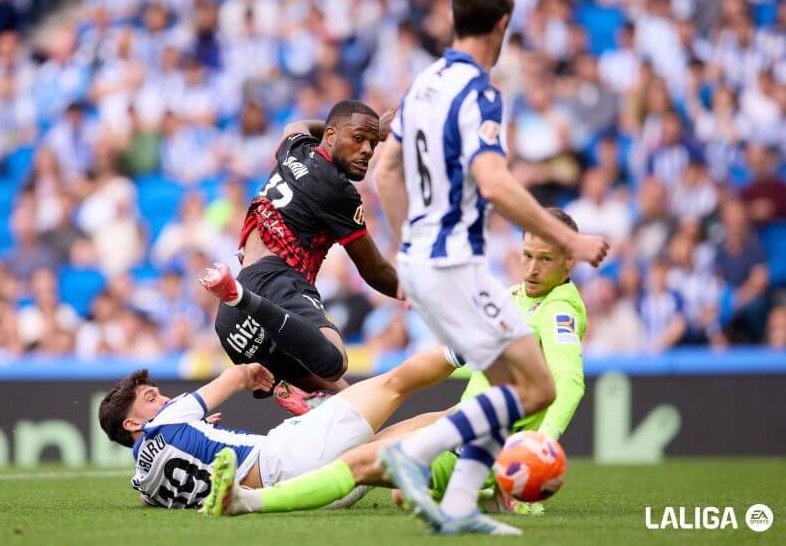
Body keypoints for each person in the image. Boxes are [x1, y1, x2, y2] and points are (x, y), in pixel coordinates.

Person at [373, 0, 608, 534]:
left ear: (455, 18)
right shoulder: (479, 93)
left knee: (513, 389)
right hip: (455, 261)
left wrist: (406, 251)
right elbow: (497, 185)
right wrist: (571, 239)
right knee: (537, 388)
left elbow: (385, 170)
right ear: (503, 23)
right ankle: (418, 451)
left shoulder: (422, 82)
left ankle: (457, 506)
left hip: (425, 260)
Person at [200, 209, 588, 525]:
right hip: (465, 422)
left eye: (546, 259)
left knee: (361, 461)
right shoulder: (516, 295)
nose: (533, 268)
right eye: (527, 256)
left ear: (570, 261)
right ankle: (497, 495)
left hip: (493, 443)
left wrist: (544, 439)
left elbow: (569, 381)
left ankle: (249, 501)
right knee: (391, 475)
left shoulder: (560, 310)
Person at [199, 100, 400, 407]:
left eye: (372, 143)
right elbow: (374, 271)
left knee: (349, 405)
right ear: (330, 137)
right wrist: (419, 292)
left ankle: (297, 395)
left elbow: (296, 126)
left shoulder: (295, 148)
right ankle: (242, 298)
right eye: (358, 139)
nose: (368, 151)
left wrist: (367, 130)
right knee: (335, 361)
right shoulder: (338, 191)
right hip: (274, 283)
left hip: (232, 322)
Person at [97, 347, 460, 510]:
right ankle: (468, 349)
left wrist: (195, 435)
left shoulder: (143, 479)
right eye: (150, 398)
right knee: (394, 384)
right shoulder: (169, 418)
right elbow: (236, 376)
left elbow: (148, 495)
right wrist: (255, 371)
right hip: (286, 456)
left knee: (408, 432)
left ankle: (473, 417)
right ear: (133, 423)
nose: (162, 400)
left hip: (315, 496)